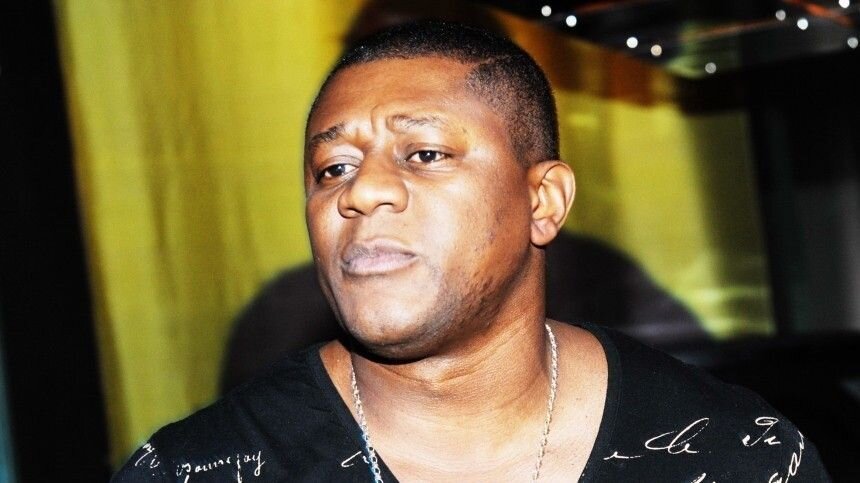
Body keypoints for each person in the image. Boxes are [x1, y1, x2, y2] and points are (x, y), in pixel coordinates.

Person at [114, 21, 830, 482]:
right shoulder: (191, 470)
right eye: (332, 168)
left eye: (424, 153)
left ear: (543, 201)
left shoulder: (738, 454)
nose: (362, 191)